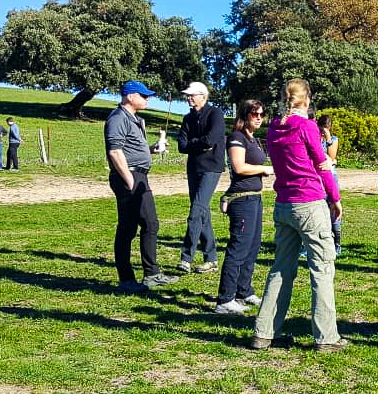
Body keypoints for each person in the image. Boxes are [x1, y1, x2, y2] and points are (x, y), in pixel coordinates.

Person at [251, 79, 347, 352]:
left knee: (281, 267)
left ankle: (264, 332)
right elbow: (322, 165)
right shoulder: (307, 126)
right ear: (306, 100)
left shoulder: (273, 128)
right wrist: (335, 198)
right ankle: (326, 337)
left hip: (284, 204)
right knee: (322, 268)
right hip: (310, 203)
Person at [105, 80, 179, 293]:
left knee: (148, 223)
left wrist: (152, 149)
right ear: (130, 96)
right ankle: (128, 279)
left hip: (138, 176)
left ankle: (151, 273)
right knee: (130, 227)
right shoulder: (118, 118)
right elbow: (115, 151)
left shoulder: (136, 119)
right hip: (129, 177)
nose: (147, 99)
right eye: (143, 95)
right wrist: (129, 180)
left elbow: (131, 148)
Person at [215, 99, 273, 315]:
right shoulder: (237, 138)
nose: (259, 118)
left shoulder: (253, 140)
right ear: (245, 115)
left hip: (255, 198)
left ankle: (244, 290)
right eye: (254, 114)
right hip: (241, 200)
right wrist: (264, 169)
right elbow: (239, 167)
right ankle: (225, 298)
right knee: (238, 248)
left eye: (261, 114)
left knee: (252, 247)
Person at [176, 81, 226, 274]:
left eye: (192, 95)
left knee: (196, 209)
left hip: (211, 168)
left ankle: (186, 257)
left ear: (203, 96)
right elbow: (182, 146)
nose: (189, 98)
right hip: (193, 168)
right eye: (187, 95)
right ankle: (211, 259)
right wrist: (199, 144)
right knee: (202, 212)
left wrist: (193, 143)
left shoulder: (215, 114)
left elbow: (211, 139)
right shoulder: (188, 118)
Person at [317, 114, 343, 255]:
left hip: (330, 177)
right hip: (315, 177)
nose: (323, 130)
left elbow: (331, 157)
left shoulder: (333, 140)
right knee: (315, 211)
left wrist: (328, 140)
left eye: (326, 128)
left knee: (333, 209)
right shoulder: (313, 138)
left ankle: (337, 244)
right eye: (322, 128)